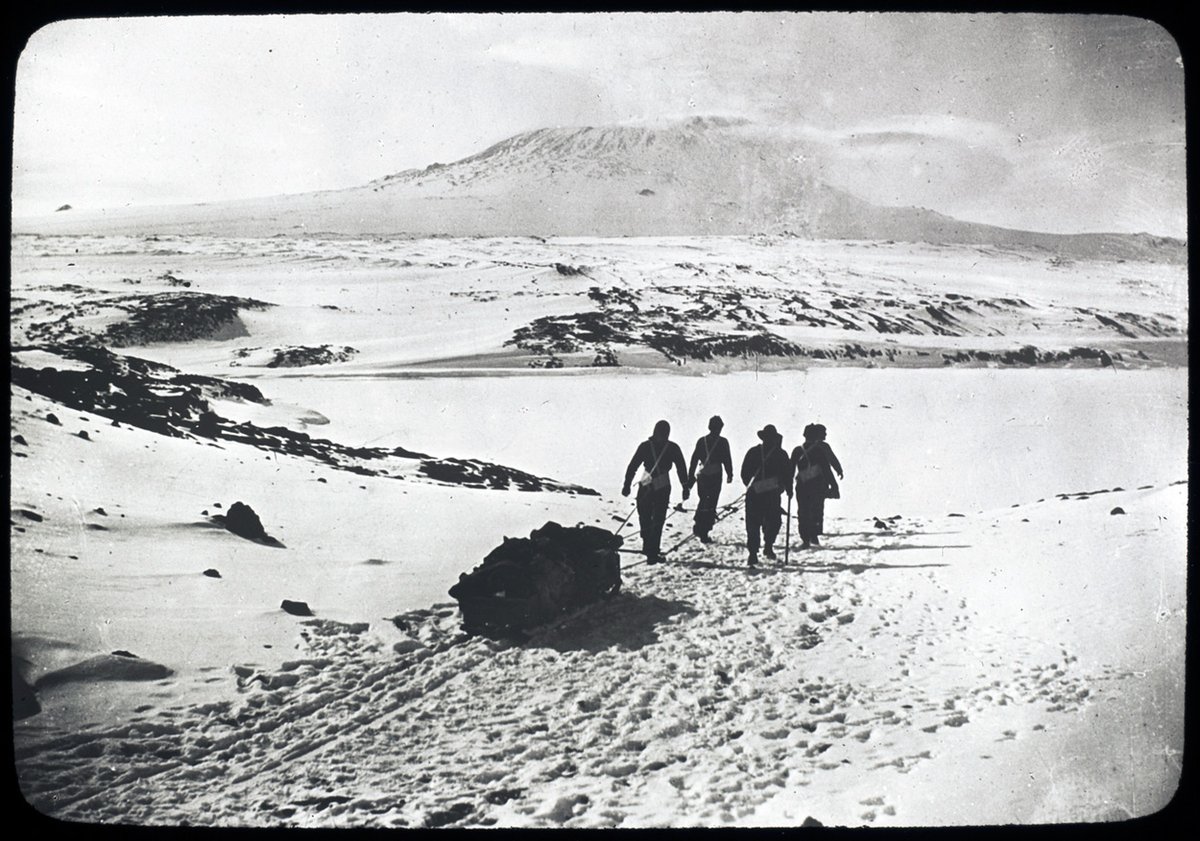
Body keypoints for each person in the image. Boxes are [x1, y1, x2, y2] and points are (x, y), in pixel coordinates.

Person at [622, 420, 689, 563]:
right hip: (658, 484)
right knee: (647, 516)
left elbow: (681, 468)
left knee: (654, 518)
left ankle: (652, 549)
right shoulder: (670, 447)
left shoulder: (651, 447)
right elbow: (632, 466)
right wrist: (626, 484)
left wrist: (685, 486)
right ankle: (649, 546)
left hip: (651, 484)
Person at [739, 424, 793, 567]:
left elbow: (744, 474)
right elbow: (788, 475)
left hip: (758, 494)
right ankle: (761, 549)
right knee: (768, 522)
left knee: (757, 524)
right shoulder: (780, 454)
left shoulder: (756, 452)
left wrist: (753, 486)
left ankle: (758, 551)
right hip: (770, 494)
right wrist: (788, 489)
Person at [791, 423, 844, 549]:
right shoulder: (820, 449)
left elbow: (790, 469)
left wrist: (787, 485)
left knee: (802, 511)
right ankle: (814, 534)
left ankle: (805, 538)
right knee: (816, 509)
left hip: (802, 485)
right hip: (817, 485)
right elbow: (827, 468)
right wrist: (834, 485)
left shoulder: (797, 450)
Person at [687, 415, 733, 544]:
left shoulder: (702, 441)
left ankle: (698, 523)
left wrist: (690, 476)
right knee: (711, 502)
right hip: (715, 475)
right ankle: (704, 530)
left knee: (703, 499)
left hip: (702, 474)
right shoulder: (723, 442)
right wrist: (730, 474)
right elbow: (727, 459)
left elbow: (694, 459)